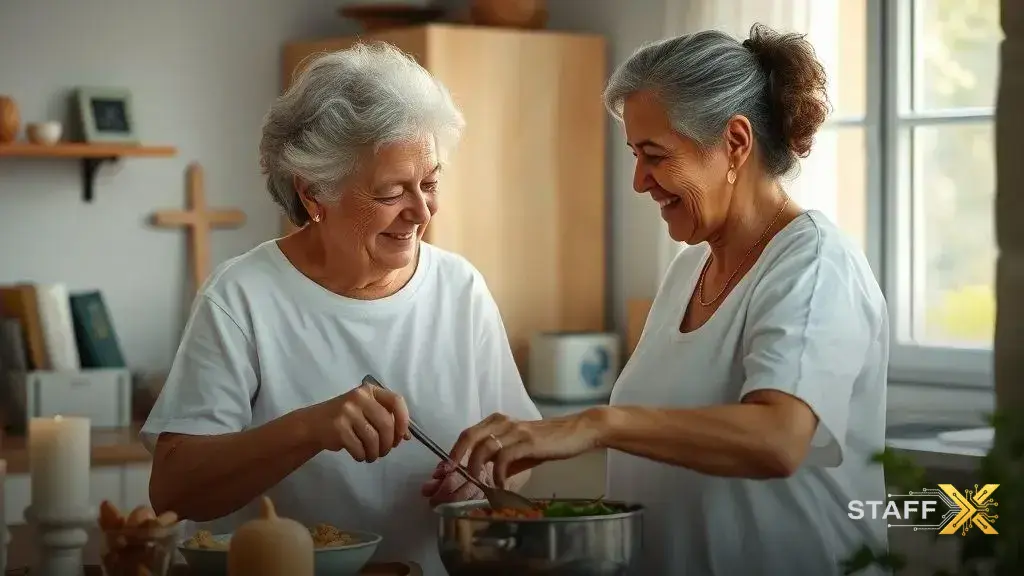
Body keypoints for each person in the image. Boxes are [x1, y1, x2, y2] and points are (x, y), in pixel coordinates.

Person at [449, 24, 890, 576]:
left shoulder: (815, 265)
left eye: (655, 155)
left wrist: (597, 424)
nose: (639, 181)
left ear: (735, 142)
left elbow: (778, 439)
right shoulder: (688, 271)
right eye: (636, 155)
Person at [140, 42, 540, 573]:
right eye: (390, 192)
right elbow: (175, 491)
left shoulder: (459, 287)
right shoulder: (243, 296)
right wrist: (309, 429)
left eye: (430, 183)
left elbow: (518, 453)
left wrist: (488, 475)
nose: (421, 211)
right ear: (314, 194)